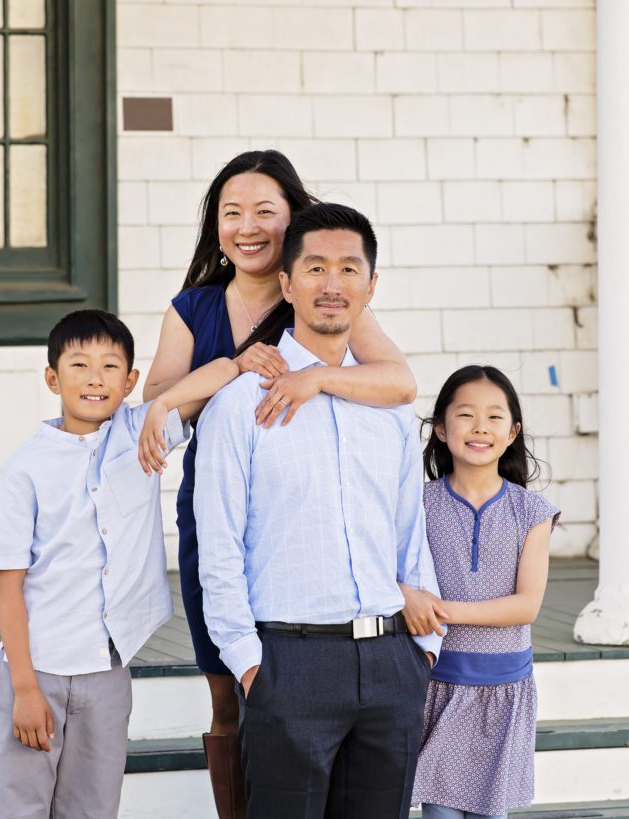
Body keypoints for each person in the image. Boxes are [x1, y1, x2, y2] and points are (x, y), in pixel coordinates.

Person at [137, 150, 417, 817]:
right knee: (227, 688)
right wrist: (234, 368)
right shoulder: (196, 307)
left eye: (265, 211)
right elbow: (159, 409)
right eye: (232, 212)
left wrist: (314, 377)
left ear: (293, 218)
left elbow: (399, 383)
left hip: (310, 515)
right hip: (222, 501)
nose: (248, 227)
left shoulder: (327, 293)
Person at [193, 203, 442, 819]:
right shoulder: (238, 404)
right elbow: (218, 545)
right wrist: (249, 664)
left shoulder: (389, 409)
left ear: (371, 286)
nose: (333, 284)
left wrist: (423, 649)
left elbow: (409, 531)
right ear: (286, 283)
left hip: (390, 664)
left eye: (349, 269)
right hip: (288, 664)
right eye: (315, 268)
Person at [0, 309, 236, 819]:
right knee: (18, 808)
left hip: (107, 671)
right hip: (37, 670)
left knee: (93, 809)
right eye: (79, 365)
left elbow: (225, 371)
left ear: (130, 381)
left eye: (110, 366)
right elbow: (7, 586)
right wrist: (25, 689)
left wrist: (164, 403)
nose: (95, 378)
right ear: (52, 378)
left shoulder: (143, 431)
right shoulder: (25, 470)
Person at [406, 365, 561, 819]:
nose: (479, 427)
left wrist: (441, 610)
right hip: (437, 684)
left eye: (494, 417)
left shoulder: (532, 511)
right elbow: (394, 576)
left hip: (503, 689)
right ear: (440, 428)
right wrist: (407, 597)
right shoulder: (418, 504)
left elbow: (526, 606)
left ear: (512, 432)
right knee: (440, 813)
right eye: (466, 415)